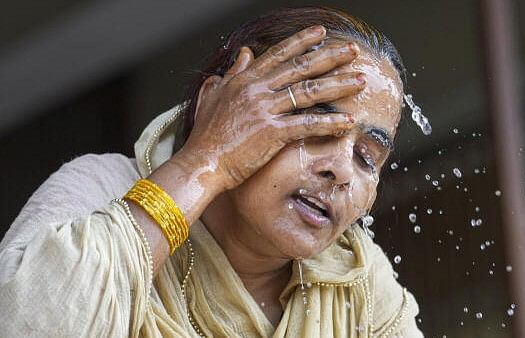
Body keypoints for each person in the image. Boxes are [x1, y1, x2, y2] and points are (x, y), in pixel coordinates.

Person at [0, 6, 423, 337]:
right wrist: (208, 159)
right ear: (216, 105)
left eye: (367, 158)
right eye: (313, 124)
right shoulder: (102, 189)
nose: (341, 171)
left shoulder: (357, 285)